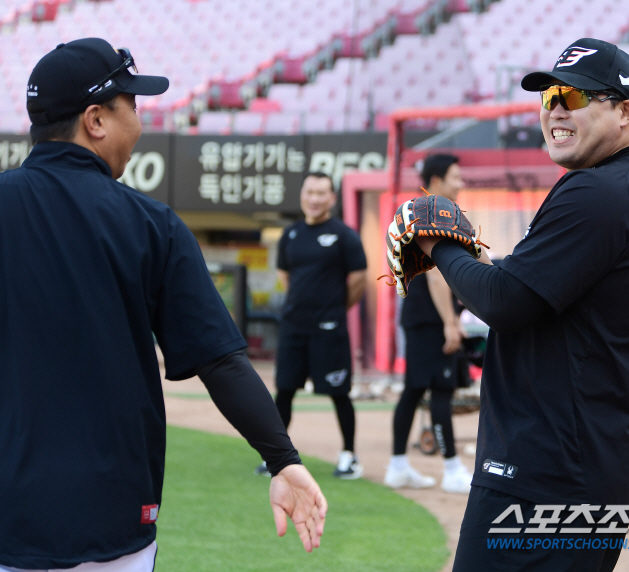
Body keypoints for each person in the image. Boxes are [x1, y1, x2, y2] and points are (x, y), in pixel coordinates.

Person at [0, 38, 326, 572]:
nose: (140, 121)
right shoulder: (152, 224)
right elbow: (220, 362)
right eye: (131, 104)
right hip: (111, 516)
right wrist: (282, 460)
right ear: (95, 120)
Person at [411, 38, 629, 570]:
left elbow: (504, 301)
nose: (555, 109)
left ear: (625, 112)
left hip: (546, 475)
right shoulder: (622, 185)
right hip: (579, 470)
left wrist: (436, 245)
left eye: (574, 97)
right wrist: (475, 258)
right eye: (549, 96)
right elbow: (521, 285)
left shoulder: (597, 191)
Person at [255, 172, 368, 479]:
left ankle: (349, 456)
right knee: (284, 391)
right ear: (302, 195)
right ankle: (275, 457)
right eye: (310, 192)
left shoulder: (344, 235)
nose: (314, 199)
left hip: (329, 329)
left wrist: (334, 309)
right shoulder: (291, 234)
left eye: (321, 193)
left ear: (332, 198)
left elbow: (359, 279)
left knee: (339, 392)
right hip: (293, 327)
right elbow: (284, 275)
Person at [383, 154, 473, 494]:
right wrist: (450, 322)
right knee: (440, 391)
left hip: (420, 318)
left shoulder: (420, 213)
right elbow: (436, 276)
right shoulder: (435, 215)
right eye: (455, 177)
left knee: (415, 390)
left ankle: (398, 466)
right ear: (436, 181)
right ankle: (451, 469)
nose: (460, 183)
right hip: (431, 320)